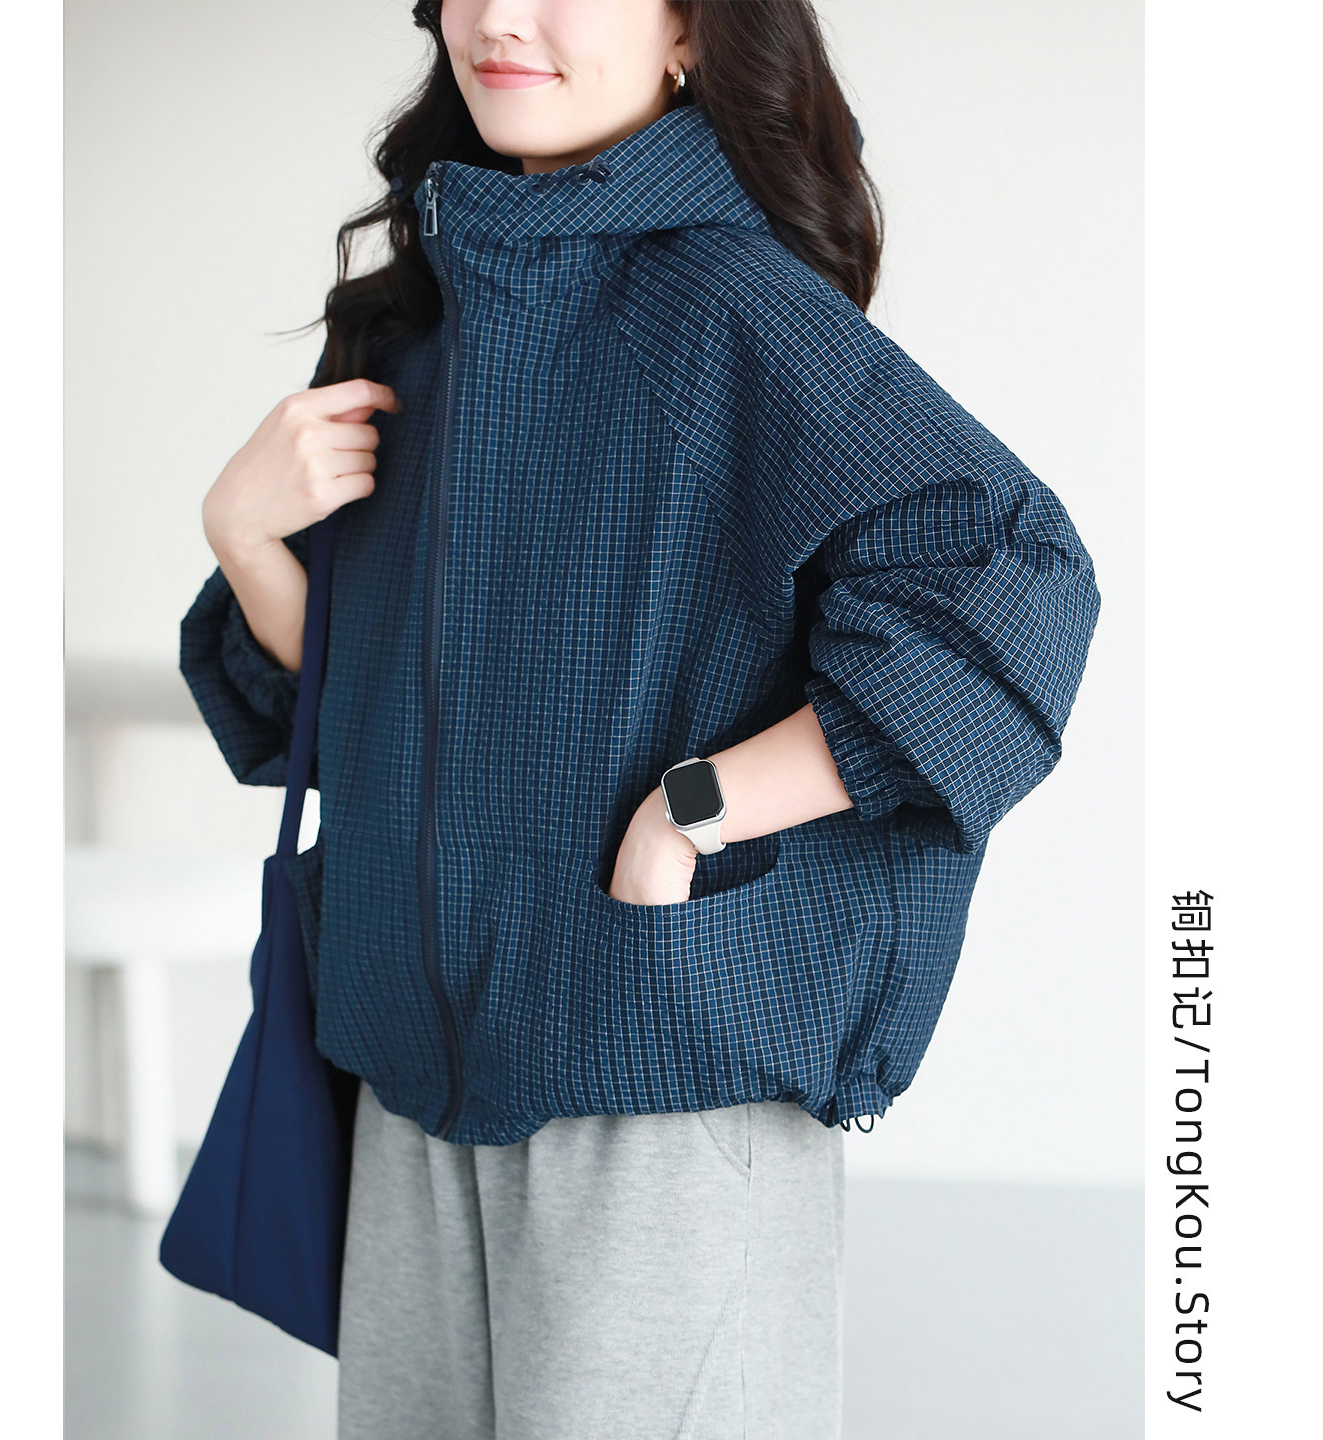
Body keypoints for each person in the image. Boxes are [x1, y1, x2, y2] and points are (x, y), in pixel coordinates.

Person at [179, 1, 1102, 1436]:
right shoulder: (411, 328)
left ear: (690, 34)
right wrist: (244, 536)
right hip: (414, 1080)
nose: (505, 17)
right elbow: (361, 703)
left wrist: (694, 815)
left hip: (651, 1073)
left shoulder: (729, 306)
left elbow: (1011, 581)